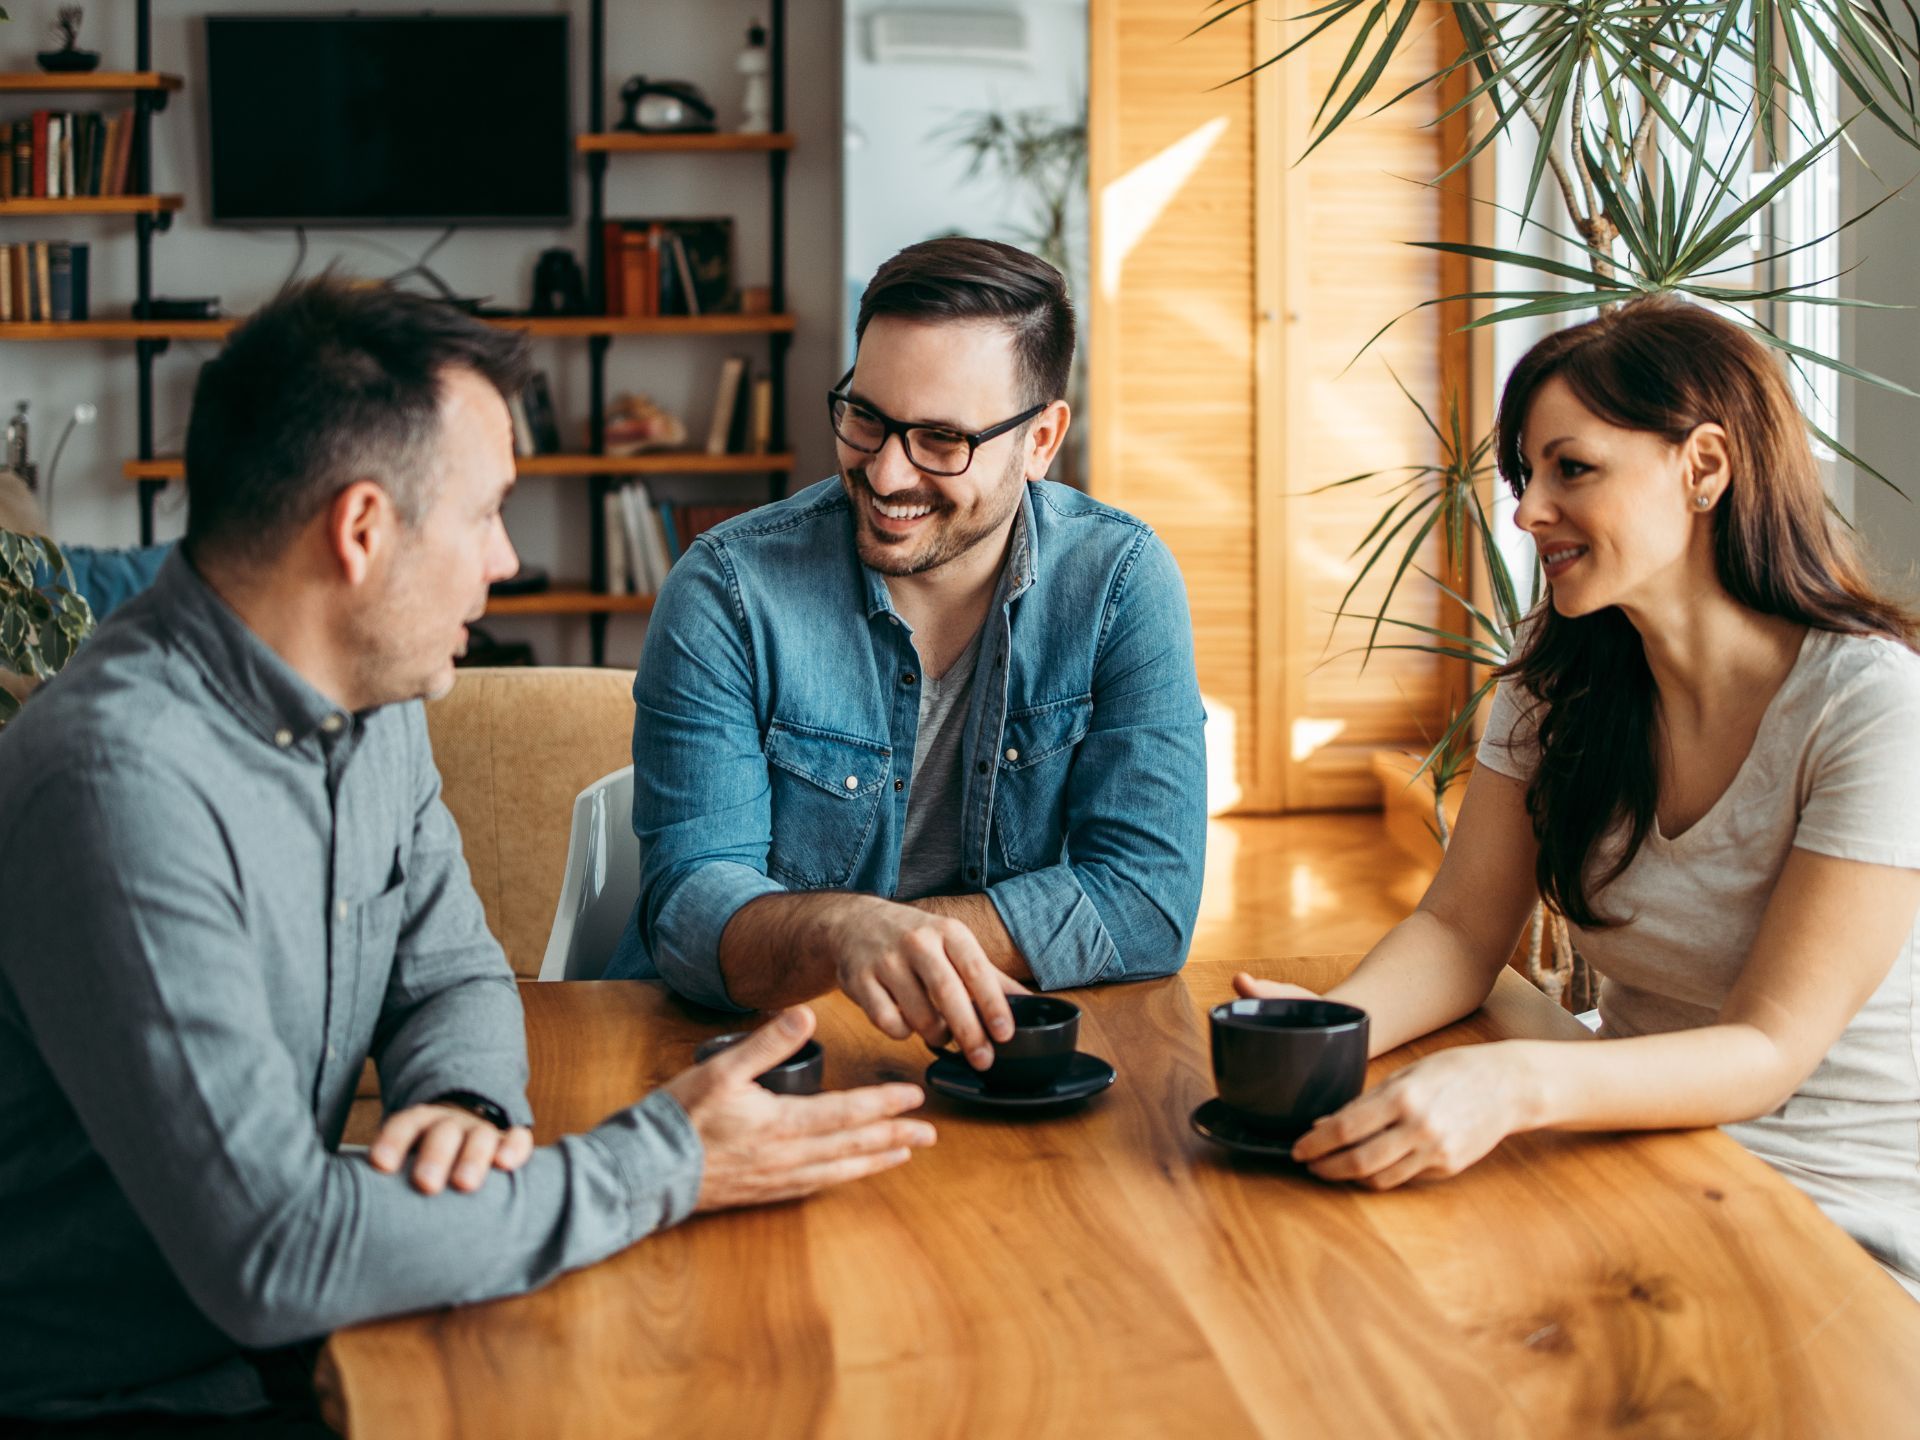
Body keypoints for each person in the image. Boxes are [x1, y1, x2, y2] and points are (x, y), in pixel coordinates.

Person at [0, 277, 934, 1428]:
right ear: (361, 532)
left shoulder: (370, 689)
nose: (503, 561)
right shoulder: (114, 785)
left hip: (321, 1336)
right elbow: (273, 1253)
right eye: (487, 513)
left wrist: (467, 1113)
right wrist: (670, 1164)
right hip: (122, 1392)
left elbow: (449, 969)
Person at [1238, 297, 1920, 1298]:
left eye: (1572, 468)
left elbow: (1768, 1050)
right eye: (1526, 476)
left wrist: (1515, 1083)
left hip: (1832, 1225)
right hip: (1635, 1160)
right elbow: (1463, 930)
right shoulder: (1556, 681)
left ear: (1704, 467)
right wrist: (1330, 1032)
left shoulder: (1872, 707)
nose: (1525, 512)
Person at [608, 238, 1208, 1071]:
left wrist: (901, 943)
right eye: (867, 417)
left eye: (940, 439)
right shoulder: (729, 590)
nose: (886, 473)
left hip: (997, 1059)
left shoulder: (1120, 584)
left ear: (1041, 440)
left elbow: (1147, 901)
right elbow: (688, 913)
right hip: (748, 1061)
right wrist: (846, 933)